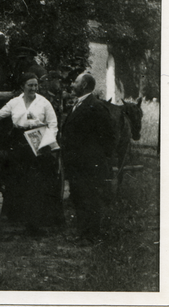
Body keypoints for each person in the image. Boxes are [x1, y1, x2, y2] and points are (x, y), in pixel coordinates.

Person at [0, 72, 64, 233]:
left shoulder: (43, 102)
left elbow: (53, 124)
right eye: (30, 85)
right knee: (18, 177)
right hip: (19, 141)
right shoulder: (14, 102)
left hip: (38, 138)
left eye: (35, 85)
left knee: (37, 179)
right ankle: (18, 216)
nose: (33, 88)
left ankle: (40, 219)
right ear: (22, 87)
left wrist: (47, 141)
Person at [62, 73, 116, 244]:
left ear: (84, 85)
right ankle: (83, 234)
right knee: (79, 198)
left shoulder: (95, 106)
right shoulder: (79, 104)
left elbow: (109, 136)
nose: (72, 84)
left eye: (76, 81)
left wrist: (98, 158)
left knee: (89, 199)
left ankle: (91, 236)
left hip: (90, 164)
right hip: (77, 163)